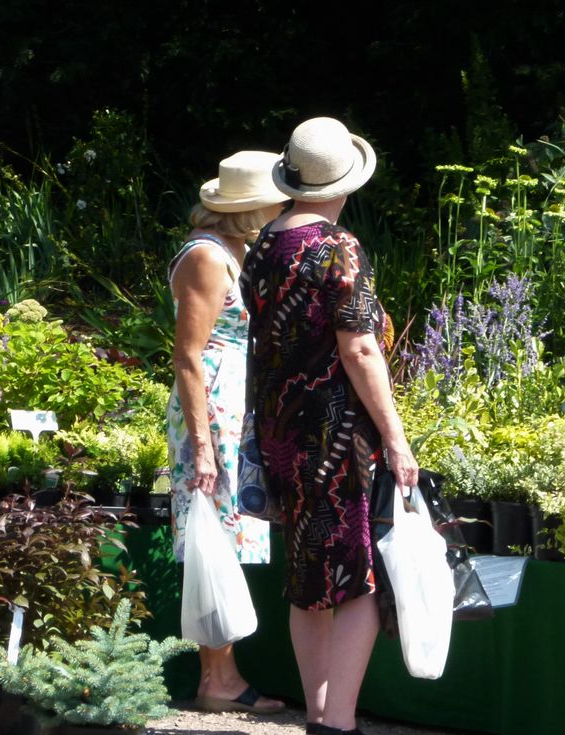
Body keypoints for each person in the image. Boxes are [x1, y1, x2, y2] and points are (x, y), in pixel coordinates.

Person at [240, 117, 419, 735]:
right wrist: (395, 437)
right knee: (357, 576)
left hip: (282, 432)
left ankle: (319, 714)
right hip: (337, 437)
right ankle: (336, 722)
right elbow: (361, 349)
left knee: (305, 575)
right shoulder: (336, 247)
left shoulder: (264, 243)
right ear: (346, 181)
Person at [167, 150, 288, 715]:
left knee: (227, 541)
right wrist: (204, 444)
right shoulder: (207, 258)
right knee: (213, 538)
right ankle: (218, 679)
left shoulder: (236, 254)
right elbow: (189, 356)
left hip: (235, 411)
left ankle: (223, 674)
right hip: (212, 410)